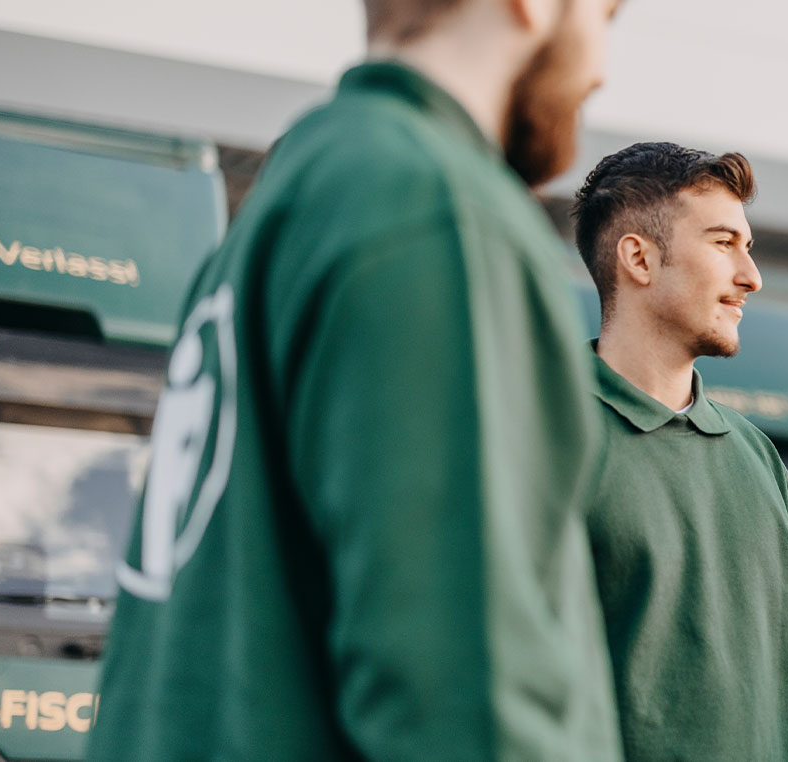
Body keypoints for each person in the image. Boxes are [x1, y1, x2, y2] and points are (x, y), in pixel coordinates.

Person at [87, 0, 625, 759]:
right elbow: (464, 702)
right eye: (609, 12)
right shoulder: (438, 210)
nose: (603, 68)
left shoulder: (293, 200)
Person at [569, 142, 788, 760]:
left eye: (747, 247)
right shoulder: (543, 437)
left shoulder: (756, 457)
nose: (750, 277)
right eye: (724, 242)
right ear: (639, 258)